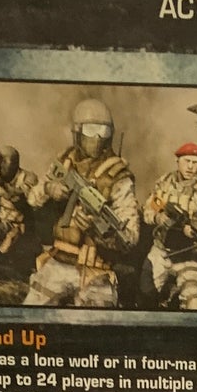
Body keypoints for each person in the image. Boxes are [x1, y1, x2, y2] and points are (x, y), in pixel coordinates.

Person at [23, 97, 139, 309]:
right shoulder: (65, 161)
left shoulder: (119, 177)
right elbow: (32, 198)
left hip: (97, 272)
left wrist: (97, 229)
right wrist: (49, 188)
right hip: (58, 263)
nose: (97, 138)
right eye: (90, 130)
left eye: (103, 131)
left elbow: (130, 238)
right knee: (30, 314)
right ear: (77, 132)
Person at [143, 142, 197, 310]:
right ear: (177, 161)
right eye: (187, 161)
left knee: (195, 303)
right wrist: (158, 217)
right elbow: (149, 208)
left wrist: (194, 232)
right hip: (161, 251)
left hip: (189, 256)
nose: (190, 167)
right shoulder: (164, 184)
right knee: (145, 295)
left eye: (195, 162)